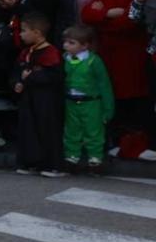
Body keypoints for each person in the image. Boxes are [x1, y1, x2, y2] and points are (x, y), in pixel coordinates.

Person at [88, 0, 153, 158]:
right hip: (109, 52)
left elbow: (130, 22)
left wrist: (104, 16)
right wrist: (106, 13)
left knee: (135, 97)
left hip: (131, 52)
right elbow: (87, 12)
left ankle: (140, 143)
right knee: (114, 97)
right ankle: (121, 140)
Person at [12, 11, 67, 177]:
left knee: (47, 130)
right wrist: (17, 83)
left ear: (37, 32)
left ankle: (52, 164)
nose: (21, 35)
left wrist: (31, 78)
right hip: (28, 99)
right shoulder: (26, 52)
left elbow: (54, 76)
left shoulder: (50, 52)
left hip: (45, 99)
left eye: (23, 30)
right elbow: (17, 72)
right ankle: (30, 162)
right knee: (28, 130)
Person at [63, 23, 115, 173]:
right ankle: (71, 157)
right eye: (65, 42)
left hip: (91, 102)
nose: (66, 45)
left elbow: (104, 85)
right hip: (71, 101)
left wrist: (108, 109)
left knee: (94, 131)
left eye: (71, 43)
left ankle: (95, 159)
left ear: (85, 45)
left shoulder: (94, 61)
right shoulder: (64, 59)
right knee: (71, 131)